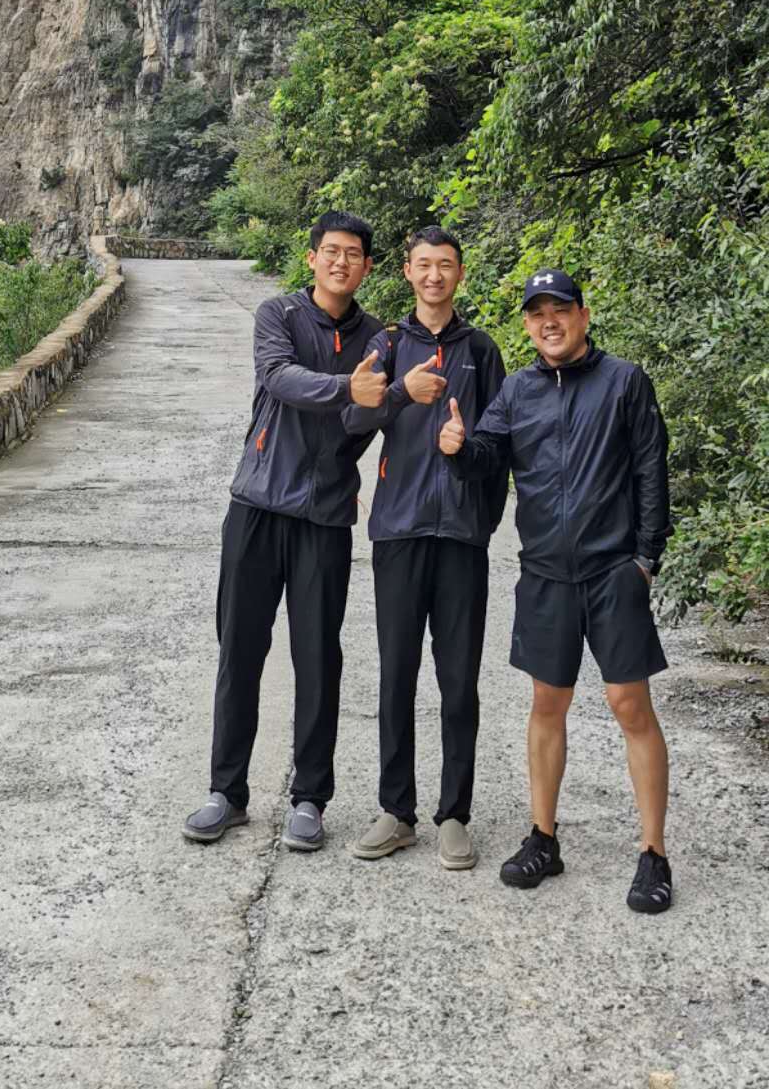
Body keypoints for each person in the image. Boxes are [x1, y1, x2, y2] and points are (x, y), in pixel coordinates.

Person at [440, 267, 673, 913]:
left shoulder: (624, 381)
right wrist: (457, 448)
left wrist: (646, 559)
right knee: (547, 702)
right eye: (538, 313)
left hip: (613, 570)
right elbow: (486, 455)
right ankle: (543, 838)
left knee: (629, 704)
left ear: (582, 315)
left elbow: (651, 468)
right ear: (527, 324)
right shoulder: (517, 389)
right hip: (545, 572)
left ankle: (653, 853)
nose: (550, 322)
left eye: (560, 310)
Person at [183, 211, 387, 853]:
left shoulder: (377, 339)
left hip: (324, 516)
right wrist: (347, 388)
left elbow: (366, 417)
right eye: (331, 251)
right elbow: (280, 377)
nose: (341, 262)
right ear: (312, 258)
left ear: (367, 267)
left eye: (353, 254)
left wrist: (374, 404)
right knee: (239, 650)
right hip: (258, 504)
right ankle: (226, 793)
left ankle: (309, 799)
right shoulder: (279, 315)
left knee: (318, 657)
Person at [345, 225, 506, 870]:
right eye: (423, 265)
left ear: (460, 273)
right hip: (400, 530)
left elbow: (501, 444)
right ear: (407, 273)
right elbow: (354, 419)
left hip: (461, 536)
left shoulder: (482, 350)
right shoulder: (386, 345)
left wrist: (467, 460)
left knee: (459, 680)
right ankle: (397, 810)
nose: (434, 275)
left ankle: (454, 814)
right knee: (396, 674)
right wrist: (397, 393)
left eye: (445, 265)